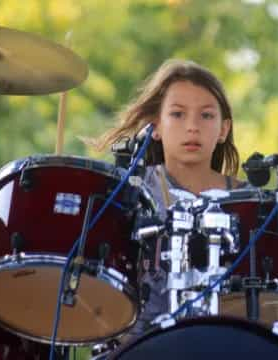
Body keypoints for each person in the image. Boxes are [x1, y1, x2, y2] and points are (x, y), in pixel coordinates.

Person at [95, 59, 246, 339]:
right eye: (177, 114)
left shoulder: (249, 202)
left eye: (206, 116)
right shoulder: (131, 189)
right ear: (156, 127)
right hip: (141, 344)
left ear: (223, 129)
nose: (192, 127)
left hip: (228, 344)